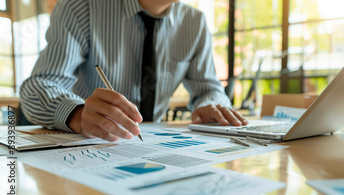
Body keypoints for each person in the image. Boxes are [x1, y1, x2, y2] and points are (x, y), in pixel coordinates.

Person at [20, 0, 248, 142]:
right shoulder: (80, 6)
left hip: (155, 147)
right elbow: (37, 87)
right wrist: (78, 114)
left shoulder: (195, 23)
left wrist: (211, 103)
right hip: (93, 145)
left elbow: (209, 88)